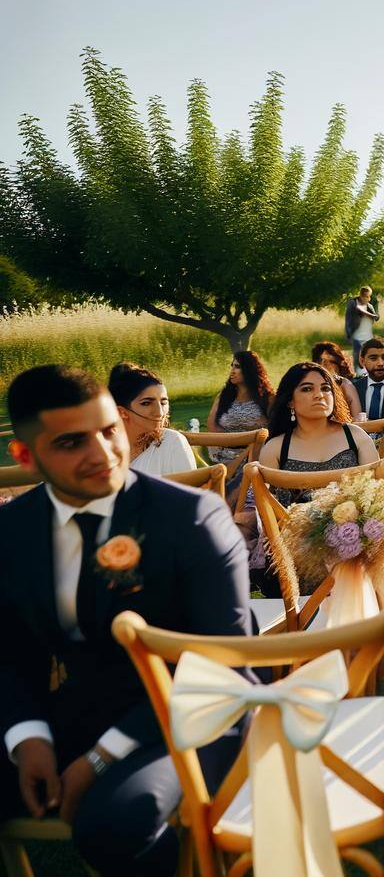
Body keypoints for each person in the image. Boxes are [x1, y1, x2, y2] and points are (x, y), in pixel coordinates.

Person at [0, 365, 254, 874]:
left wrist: (99, 759)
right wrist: (28, 738)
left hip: (197, 713)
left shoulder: (192, 518)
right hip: (81, 706)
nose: (102, 454)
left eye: (108, 431)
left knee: (114, 823)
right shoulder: (14, 530)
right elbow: (9, 652)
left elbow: (221, 664)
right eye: (72, 442)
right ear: (25, 457)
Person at [257, 363, 377, 508]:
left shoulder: (356, 437)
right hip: (293, 529)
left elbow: (377, 495)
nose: (319, 395)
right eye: (307, 389)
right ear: (290, 401)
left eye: (325, 389)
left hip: (357, 526)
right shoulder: (275, 448)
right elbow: (267, 511)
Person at [205, 350, 274, 497]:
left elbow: (274, 428)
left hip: (256, 456)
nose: (232, 371)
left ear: (249, 370)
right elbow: (212, 425)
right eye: (232, 366)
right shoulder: (224, 396)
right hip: (224, 454)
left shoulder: (267, 398)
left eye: (237, 367)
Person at [107, 362, 194, 477]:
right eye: (146, 403)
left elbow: (187, 492)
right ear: (122, 412)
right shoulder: (103, 448)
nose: (160, 412)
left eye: (163, 402)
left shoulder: (172, 443)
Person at [310, 341, 365, 420]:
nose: (325, 365)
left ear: (340, 364)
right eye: (321, 361)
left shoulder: (346, 385)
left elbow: (358, 418)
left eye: (331, 362)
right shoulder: (309, 383)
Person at [344, 285, 379, 367]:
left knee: (367, 354)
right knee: (358, 354)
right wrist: (348, 333)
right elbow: (348, 319)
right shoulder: (353, 303)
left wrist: (368, 313)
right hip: (356, 334)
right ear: (360, 295)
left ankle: (366, 372)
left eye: (368, 297)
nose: (367, 299)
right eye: (365, 296)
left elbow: (376, 317)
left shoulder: (369, 306)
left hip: (367, 335)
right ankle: (356, 374)